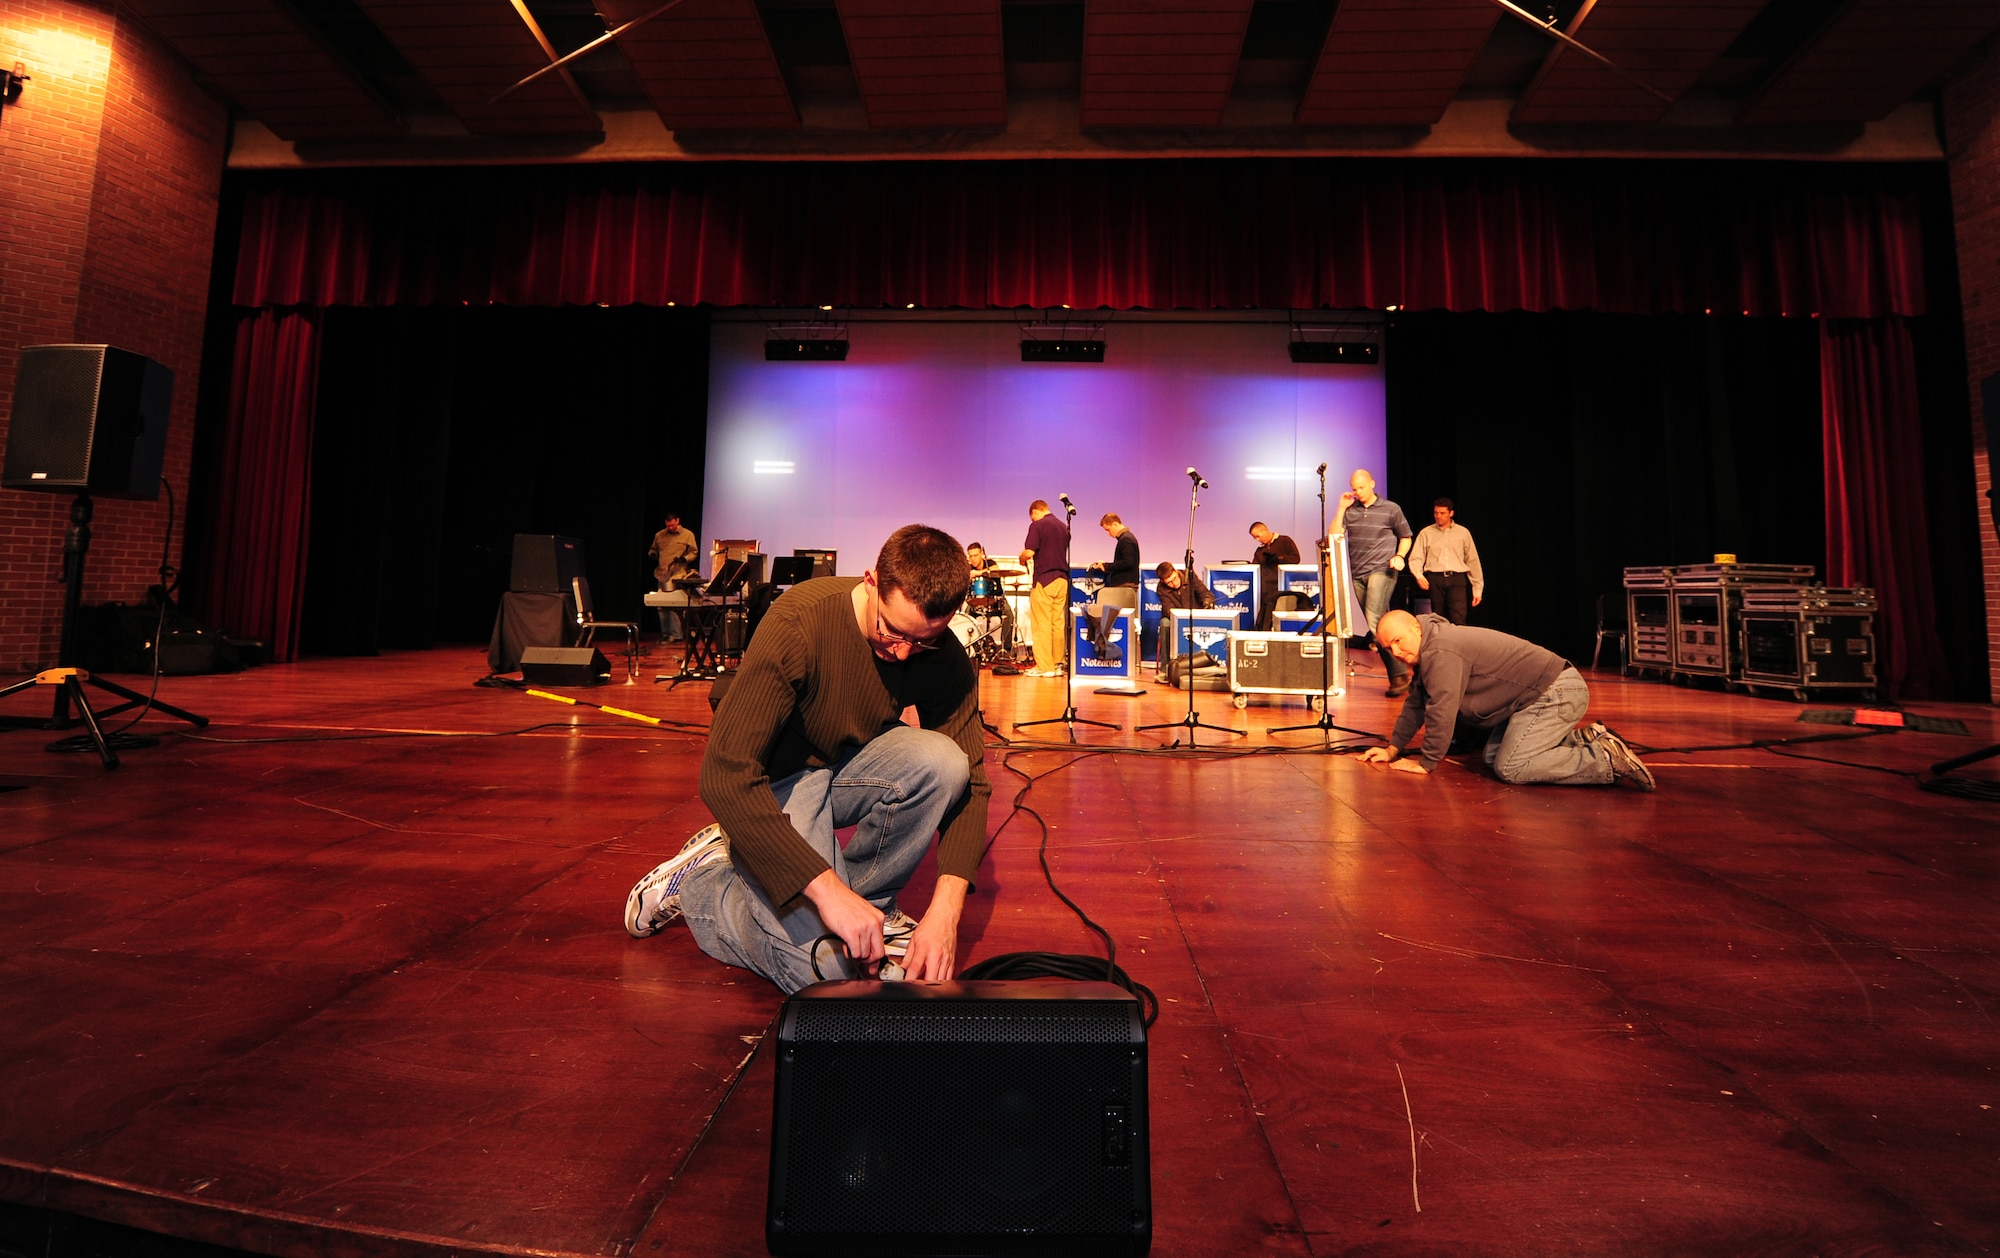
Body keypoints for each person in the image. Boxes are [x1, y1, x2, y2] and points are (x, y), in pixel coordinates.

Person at [622, 524, 992, 993]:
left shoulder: (938, 650)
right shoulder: (800, 622)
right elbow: (724, 776)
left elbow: (974, 783)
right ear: (871, 582)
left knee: (946, 762)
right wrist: (827, 892)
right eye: (892, 631)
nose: (902, 653)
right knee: (826, 972)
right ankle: (708, 884)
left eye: (922, 641)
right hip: (778, 782)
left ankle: (870, 906)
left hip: (846, 765)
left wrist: (946, 912)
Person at [1359, 610, 1655, 789]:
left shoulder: (1442, 650)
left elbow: (1442, 708)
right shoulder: (1431, 646)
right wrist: (1393, 749)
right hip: (1535, 697)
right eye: (1388, 647)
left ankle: (1605, 760)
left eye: (1398, 641)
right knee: (1492, 757)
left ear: (1415, 628)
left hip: (1556, 692)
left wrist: (1427, 763)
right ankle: (1585, 739)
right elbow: (1417, 702)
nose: (1395, 652)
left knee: (1511, 768)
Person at [1336, 469, 1414, 696]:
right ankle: (1402, 675)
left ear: (1372, 484)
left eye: (1361, 487)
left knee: (1374, 622)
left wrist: (1399, 556)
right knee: (1379, 625)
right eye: (1354, 488)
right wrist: (1341, 508)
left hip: (1383, 569)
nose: (1357, 492)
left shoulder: (1391, 509)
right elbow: (1334, 535)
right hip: (1358, 573)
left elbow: (1406, 537)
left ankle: (1402, 673)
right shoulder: (1350, 511)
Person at [1409, 497, 1483, 626]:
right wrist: (1419, 575)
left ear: (1451, 513)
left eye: (1442, 513)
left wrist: (1477, 588)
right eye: (1436, 513)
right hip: (1435, 578)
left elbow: (1472, 561)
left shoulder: (1463, 532)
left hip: (1457, 578)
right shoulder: (1426, 533)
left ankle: (1459, 645)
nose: (1438, 516)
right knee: (1438, 618)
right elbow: (1416, 557)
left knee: (1458, 617)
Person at [1020, 499, 1070, 677]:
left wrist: (1022, 558)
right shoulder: (1064, 527)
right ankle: (1057, 664)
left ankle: (1044, 667)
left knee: (1041, 624)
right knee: (1058, 624)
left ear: (1034, 512)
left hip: (1045, 579)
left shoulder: (1038, 525)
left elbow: (1030, 552)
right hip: (1062, 579)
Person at [1084, 512, 1140, 663]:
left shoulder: (1126, 540)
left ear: (1115, 524)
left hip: (1125, 588)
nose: (1108, 534)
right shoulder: (1126, 539)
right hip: (1123, 586)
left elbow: (1128, 563)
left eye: (1108, 530)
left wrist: (1107, 566)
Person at [648, 513, 700, 641]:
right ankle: (666, 634)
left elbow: (694, 552)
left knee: (673, 604)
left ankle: (676, 635)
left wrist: (685, 558)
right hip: (662, 574)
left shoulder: (687, 535)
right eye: (668, 525)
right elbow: (653, 549)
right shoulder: (660, 535)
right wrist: (652, 554)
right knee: (661, 605)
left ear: (678, 521)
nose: (670, 527)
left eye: (672, 525)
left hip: (677, 573)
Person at [1152, 560, 1214, 662]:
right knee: (1164, 623)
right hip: (1175, 618)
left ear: (1175, 571)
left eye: (1175, 579)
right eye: (1169, 583)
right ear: (1163, 582)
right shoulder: (1161, 589)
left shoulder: (1189, 576)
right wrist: (1182, 617)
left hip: (1196, 613)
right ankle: (1167, 666)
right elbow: (1168, 609)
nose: (1174, 583)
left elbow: (1204, 592)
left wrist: (1207, 601)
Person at [1247, 521, 1299, 631]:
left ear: (1264, 530)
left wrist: (1279, 558)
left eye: (1257, 536)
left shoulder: (1284, 541)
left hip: (1281, 588)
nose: (1257, 539)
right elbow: (1254, 567)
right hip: (1265, 589)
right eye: (1254, 538)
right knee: (1264, 616)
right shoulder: (1260, 550)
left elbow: (1296, 558)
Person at [965, 541, 1015, 654]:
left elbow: (996, 569)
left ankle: (1005, 648)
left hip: (996, 599)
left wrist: (979, 573)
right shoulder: (968, 568)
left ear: (982, 554)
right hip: (976, 601)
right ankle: (974, 648)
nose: (973, 559)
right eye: (970, 556)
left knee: (1009, 614)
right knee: (966, 618)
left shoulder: (990, 563)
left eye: (975, 555)